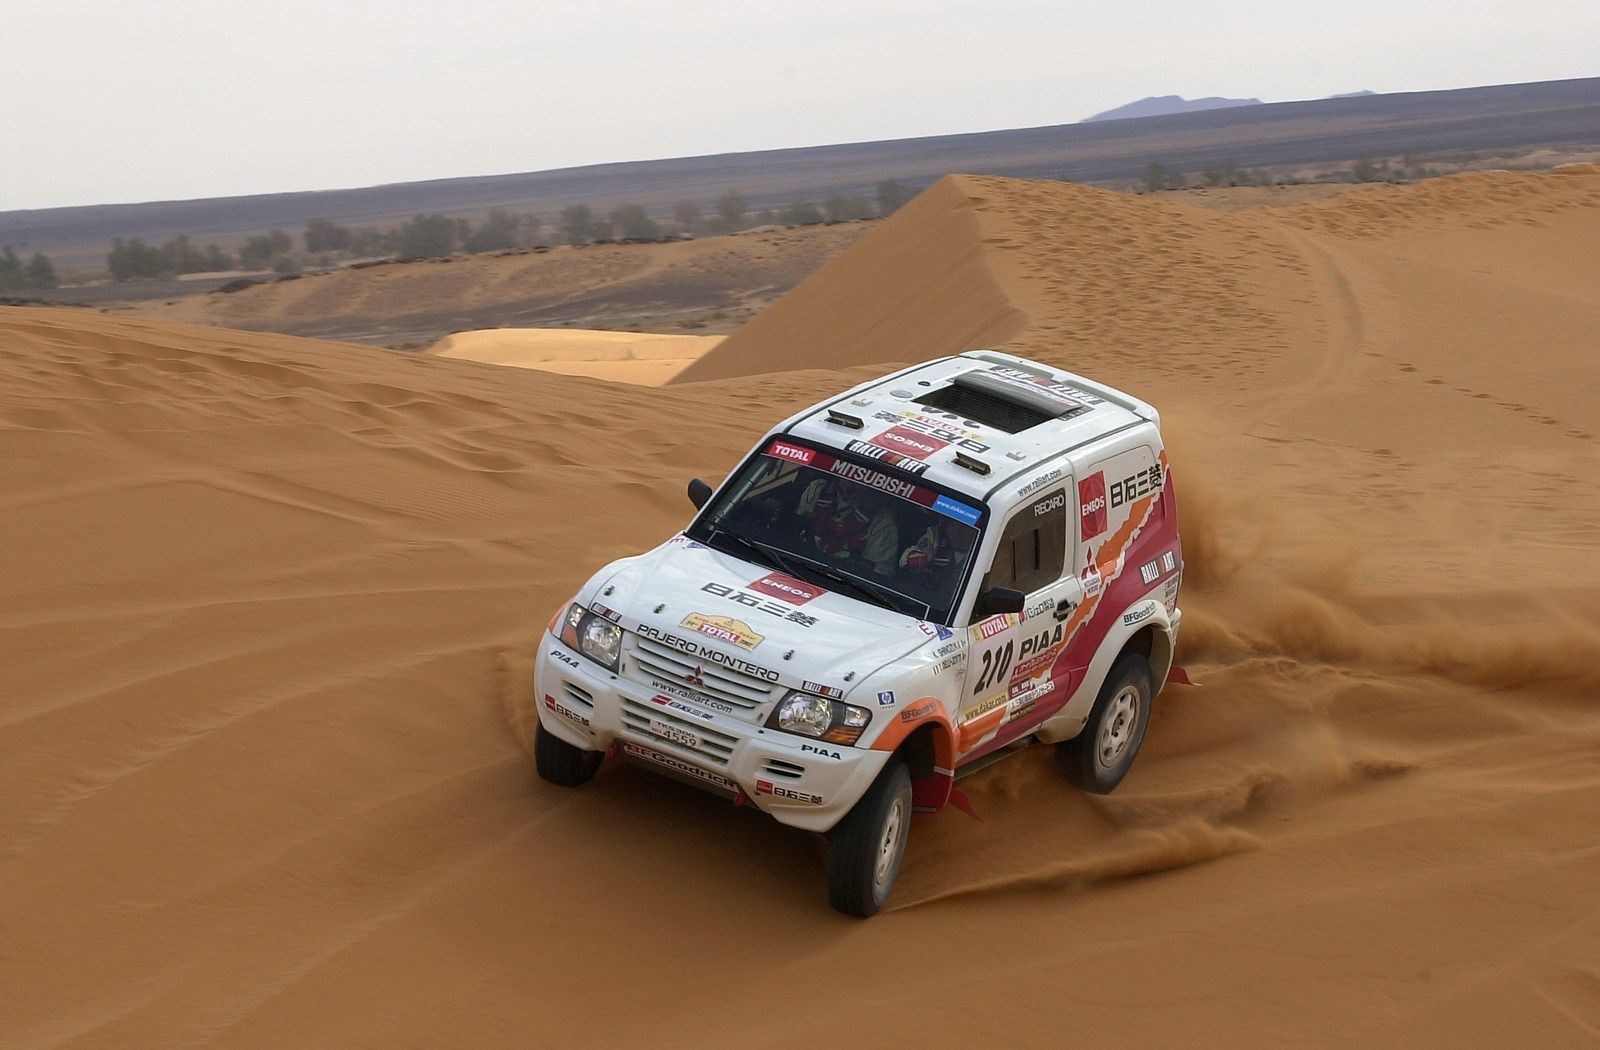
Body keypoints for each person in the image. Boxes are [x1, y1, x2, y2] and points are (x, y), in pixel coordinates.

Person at [797, 477, 899, 575]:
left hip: (844, 579)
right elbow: (796, 527)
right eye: (849, 477)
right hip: (800, 564)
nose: (850, 485)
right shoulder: (818, 489)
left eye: (860, 480)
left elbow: (879, 573)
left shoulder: (882, 522)